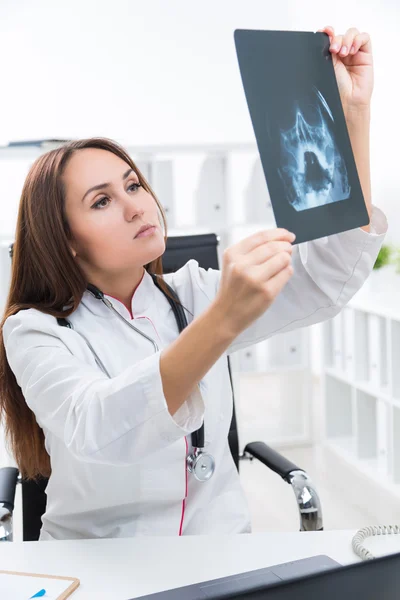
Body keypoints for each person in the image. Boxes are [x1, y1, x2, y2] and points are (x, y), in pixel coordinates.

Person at [0, 26, 388, 541]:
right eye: (101, 201)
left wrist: (352, 117)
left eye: (133, 184)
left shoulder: (192, 293)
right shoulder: (36, 330)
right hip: (100, 567)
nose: (137, 204)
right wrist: (224, 320)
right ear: (64, 238)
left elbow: (325, 275)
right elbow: (99, 428)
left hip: (220, 551)